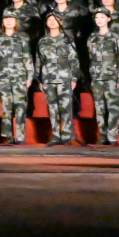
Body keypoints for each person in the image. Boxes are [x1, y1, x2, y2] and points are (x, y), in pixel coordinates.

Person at [37, 14, 81, 146]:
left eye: (55, 19)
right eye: (49, 19)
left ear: (60, 22)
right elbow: (39, 61)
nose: (52, 22)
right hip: (48, 77)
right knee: (52, 108)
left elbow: (73, 59)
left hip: (64, 76)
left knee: (65, 107)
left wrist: (74, 78)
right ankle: (55, 135)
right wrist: (39, 80)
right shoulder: (42, 41)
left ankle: (67, 135)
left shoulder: (67, 39)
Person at [87, 10, 119, 145]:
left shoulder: (115, 37)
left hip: (111, 75)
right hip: (97, 76)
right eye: (97, 17)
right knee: (99, 107)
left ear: (108, 19)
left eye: (102, 17)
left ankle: (113, 136)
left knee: (113, 107)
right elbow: (90, 57)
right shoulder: (92, 38)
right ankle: (103, 135)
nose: (99, 20)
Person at [0, 12, 33, 144]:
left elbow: (27, 57)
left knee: (20, 105)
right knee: (6, 106)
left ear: (16, 22)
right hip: (3, 75)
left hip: (19, 74)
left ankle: (20, 136)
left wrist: (29, 76)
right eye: (6, 19)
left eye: (11, 19)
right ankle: (8, 135)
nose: (8, 21)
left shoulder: (22, 38)